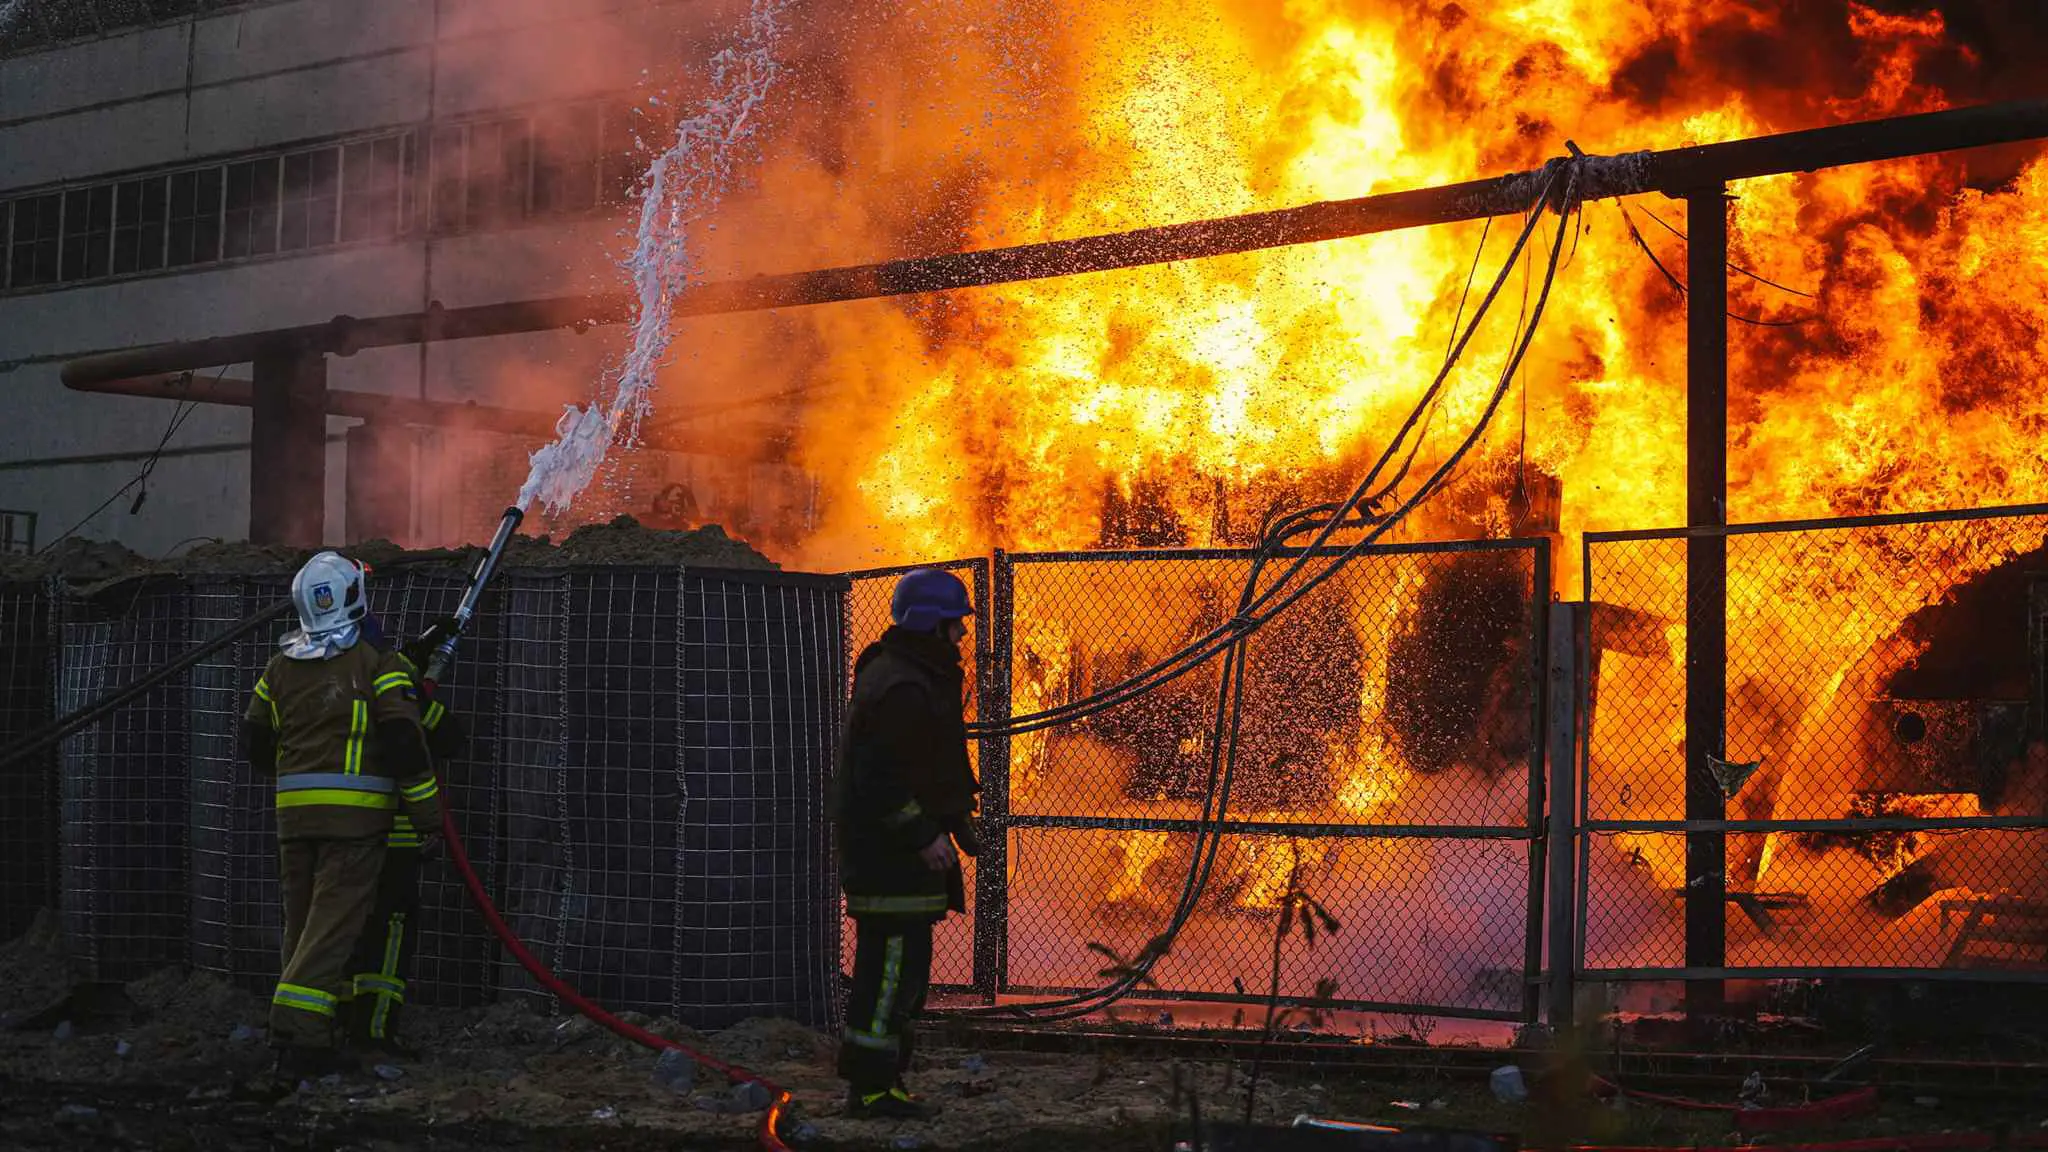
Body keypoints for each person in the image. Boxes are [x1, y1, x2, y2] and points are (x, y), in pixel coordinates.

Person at [241, 552, 443, 1080]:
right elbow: (405, 743)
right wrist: (427, 816)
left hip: (293, 821)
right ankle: (299, 1032)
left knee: (303, 926)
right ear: (355, 596)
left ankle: (307, 1028)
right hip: (354, 826)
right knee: (332, 927)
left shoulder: (279, 666)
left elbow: (254, 740)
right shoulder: (377, 664)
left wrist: (299, 774)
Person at [833, 568, 981, 1121]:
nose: (962, 636)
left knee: (904, 978)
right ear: (931, 622)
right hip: (890, 859)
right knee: (889, 976)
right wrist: (923, 834)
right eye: (955, 624)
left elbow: (931, 762)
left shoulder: (915, 676)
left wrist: (957, 821)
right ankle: (870, 1090)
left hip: (899, 858)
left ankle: (886, 1081)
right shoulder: (903, 684)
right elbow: (880, 776)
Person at [341, 616, 466, 1060]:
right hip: (389, 838)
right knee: (389, 932)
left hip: (334, 837)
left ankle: (334, 1028)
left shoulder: (319, 684)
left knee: (338, 930)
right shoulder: (395, 691)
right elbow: (445, 739)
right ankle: (374, 1034)